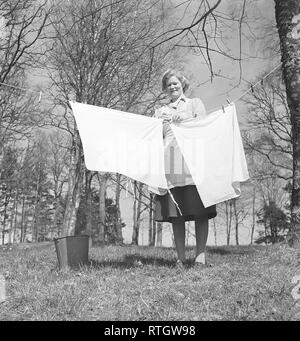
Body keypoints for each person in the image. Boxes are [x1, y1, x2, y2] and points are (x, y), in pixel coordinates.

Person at [153, 69, 217, 268]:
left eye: (175, 83)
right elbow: (155, 136)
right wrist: (162, 125)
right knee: (176, 213)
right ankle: (180, 257)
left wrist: (186, 121)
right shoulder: (159, 111)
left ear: (182, 85)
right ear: (165, 89)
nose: (172, 87)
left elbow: (203, 126)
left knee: (200, 211)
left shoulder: (194, 103)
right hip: (171, 163)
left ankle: (200, 255)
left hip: (193, 163)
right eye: (169, 84)